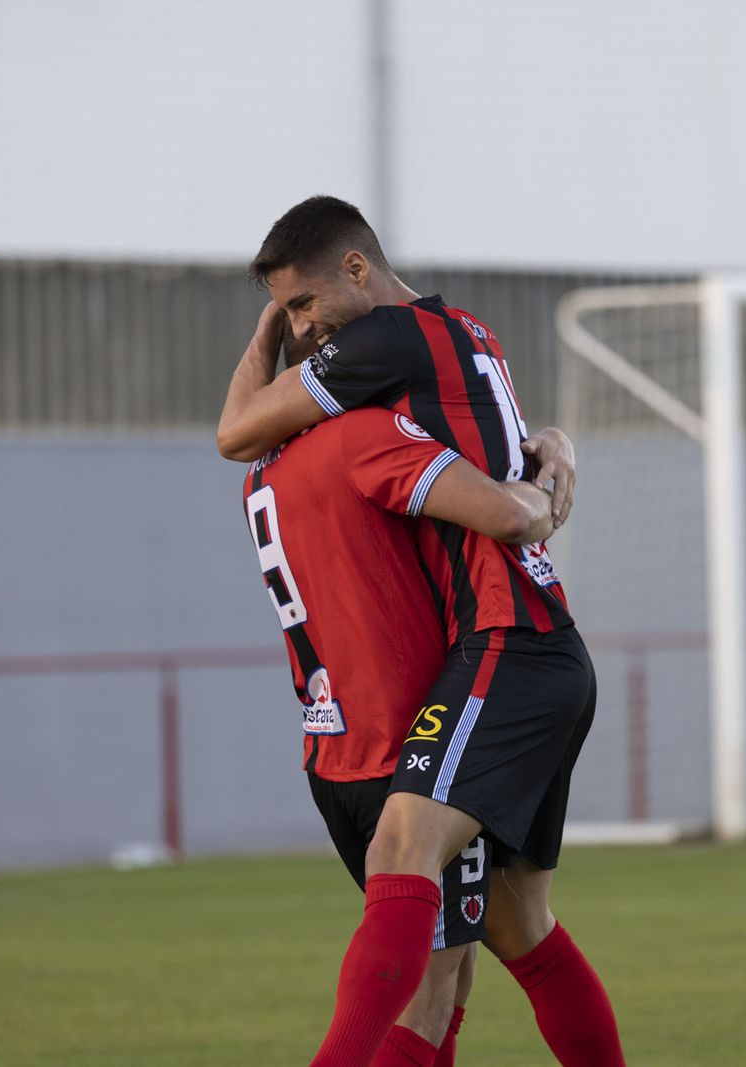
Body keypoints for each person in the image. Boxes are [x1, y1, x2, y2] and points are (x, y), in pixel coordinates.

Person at [219, 196, 623, 1066]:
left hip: (505, 640)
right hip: (538, 639)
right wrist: (557, 452)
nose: (305, 330)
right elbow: (523, 446)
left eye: (302, 304)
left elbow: (235, 431)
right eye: (290, 315)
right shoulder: (470, 336)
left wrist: (530, 507)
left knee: (407, 860)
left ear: (359, 269)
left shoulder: (376, 363)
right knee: (519, 928)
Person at [237, 321, 559, 1064]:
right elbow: (502, 509)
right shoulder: (365, 439)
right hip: (407, 740)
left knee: (451, 971)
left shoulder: (259, 475)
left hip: (330, 753)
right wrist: (545, 470)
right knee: (434, 989)